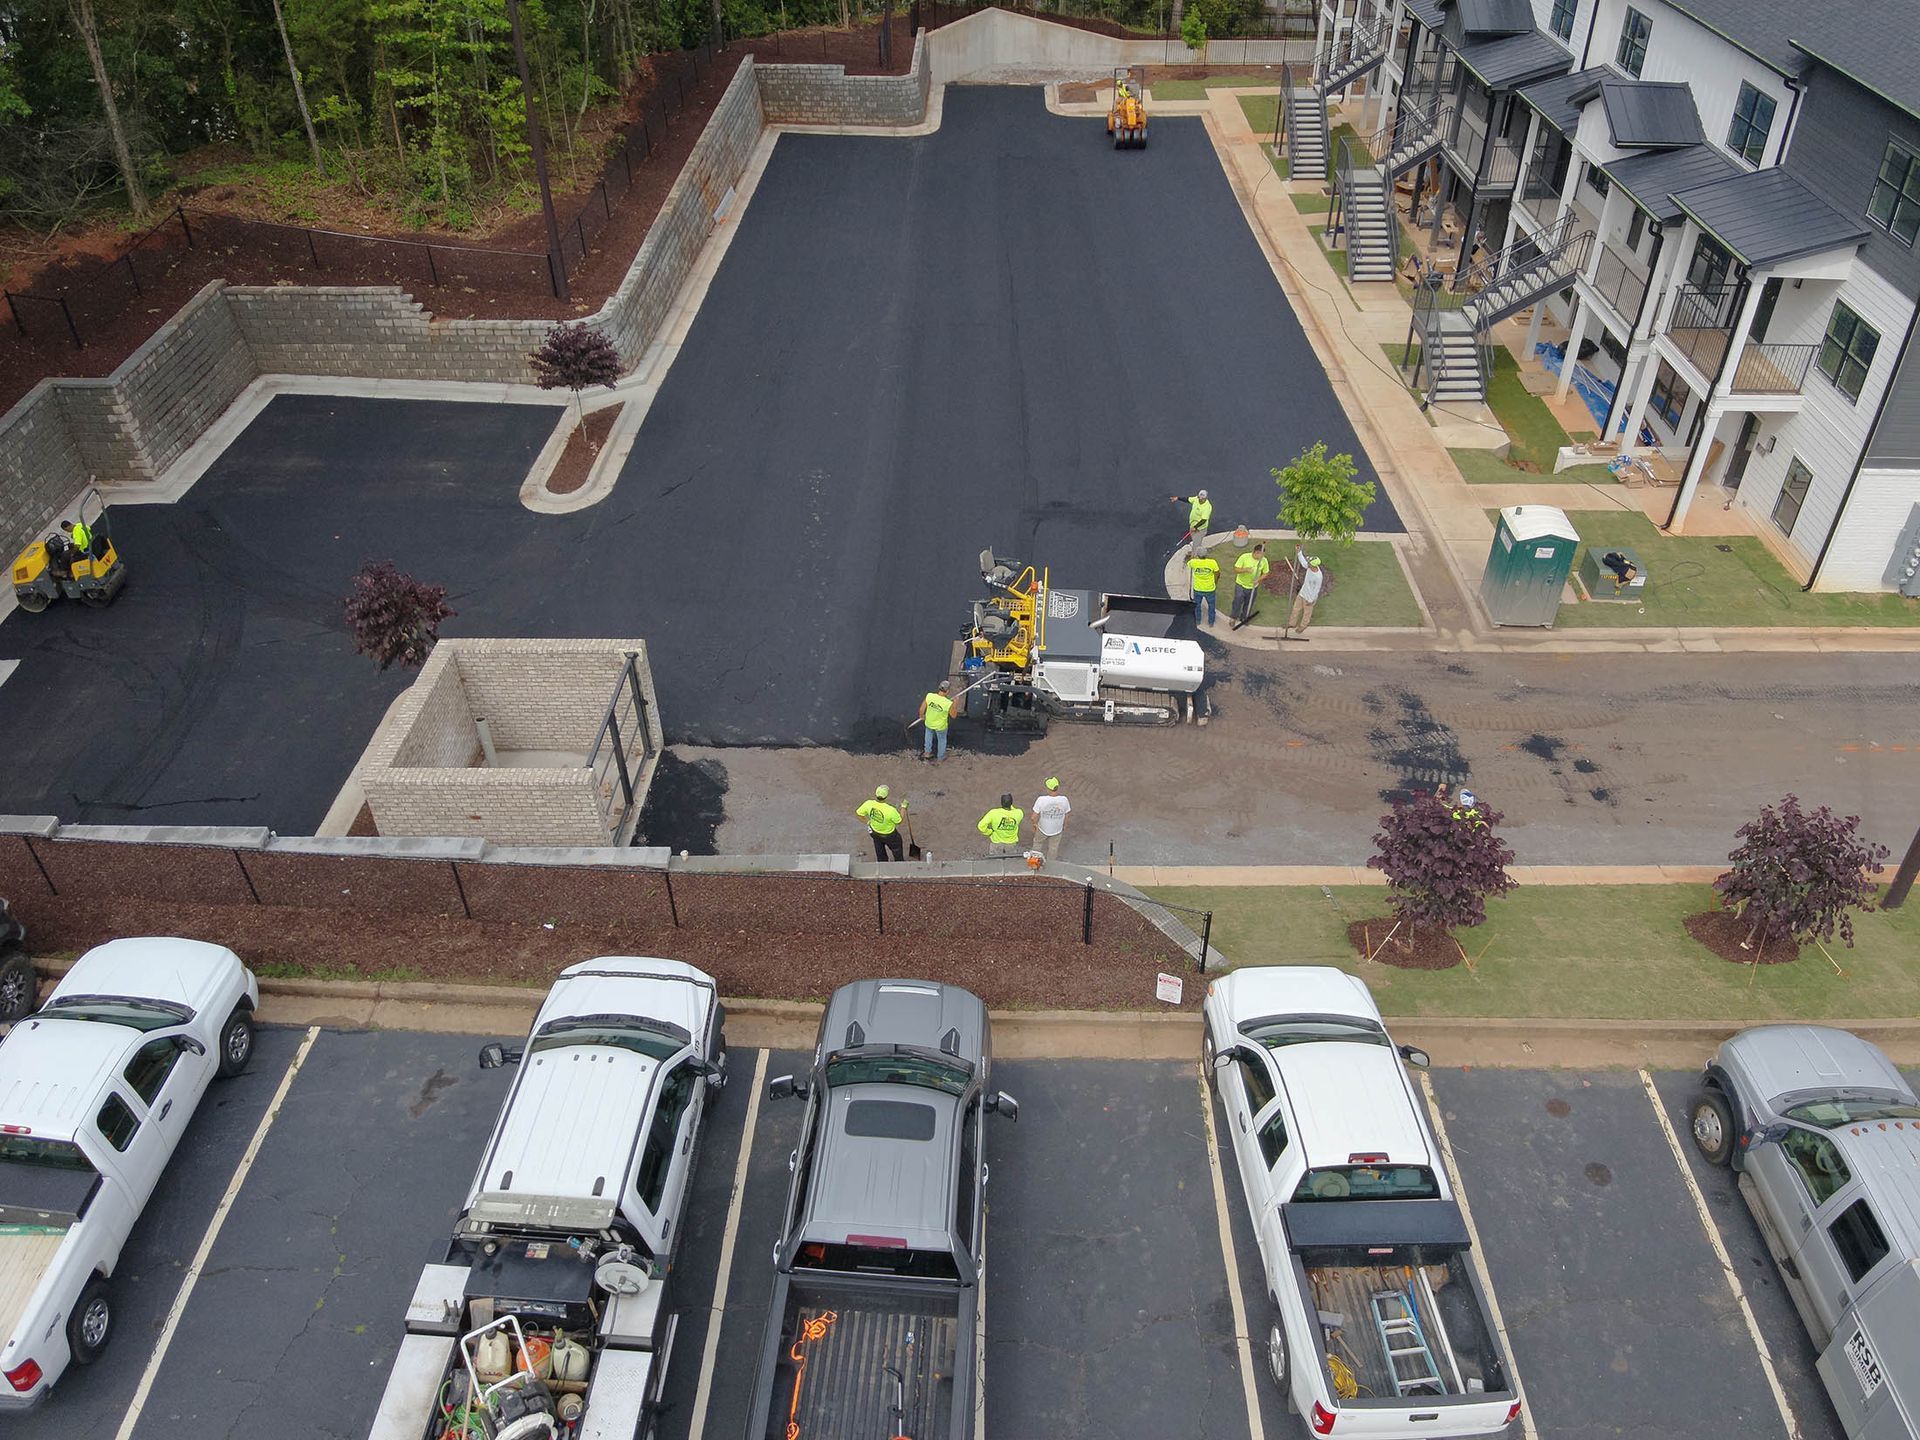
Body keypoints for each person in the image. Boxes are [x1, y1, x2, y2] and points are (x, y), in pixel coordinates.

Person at [856, 784, 906, 862]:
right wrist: (903, 807)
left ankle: (882, 865)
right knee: (897, 850)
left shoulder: (868, 804)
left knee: (879, 850)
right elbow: (899, 821)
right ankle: (899, 864)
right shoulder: (890, 810)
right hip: (890, 835)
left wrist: (867, 822)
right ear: (886, 796)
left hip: (875, 832)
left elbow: (859, 814)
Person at [1030, 776, 1071, 863]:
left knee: (1037, 844)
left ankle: (1034, 861)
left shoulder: (1041, 800)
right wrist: (1065, 825)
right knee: (1053, 848)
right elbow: (1067, 815)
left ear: (1048, 788)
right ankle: (1051, 865)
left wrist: (1035, 824)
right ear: (1057, 787)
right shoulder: (1064, 800)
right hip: (1057, 829)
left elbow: (1033, 817)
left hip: (1042, 829)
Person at [1230, 542, 1269, 624]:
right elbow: (1236, 569)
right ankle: (1233, 618)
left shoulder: (1264, 561)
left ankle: (1244, 617)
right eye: (1261, 555)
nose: (1262, 557)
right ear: (1256, 552)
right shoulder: (1244, 557)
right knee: (1237, 601)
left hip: (1253, 586)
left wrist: (1258, 579)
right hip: (1241, 584)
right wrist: (1245, 570)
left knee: (1249, 603)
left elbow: (1266, 573)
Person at [1288, 550, 1324, 634]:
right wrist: (1299, 552)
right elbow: (1303, 562)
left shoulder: (1318, 577)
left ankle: (1303, 626)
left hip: (1309, 598)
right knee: (1295, 609)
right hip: (1302, 593)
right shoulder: (1309, 567)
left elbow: (1316, 590)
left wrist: (1311, 600)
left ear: (1313, 565)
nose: (1307, 563)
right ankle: (1291, 623)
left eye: (1309, 563)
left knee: (1307, 613)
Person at [978, 793, 1024, 858]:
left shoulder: (993, 813)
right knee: (1011, 860)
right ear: (1011, 803)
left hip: (997, 842)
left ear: (1001, 803)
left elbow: (981, 826)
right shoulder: (1019, 813)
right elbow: (1014, 810)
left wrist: (989, 832)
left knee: (995, 860)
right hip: (1011, 843)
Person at [917, 680, 954, 762]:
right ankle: (940, 758)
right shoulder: (948, 703)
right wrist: (956, 703)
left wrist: (921, 716)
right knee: (942, 740)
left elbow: (922, 708)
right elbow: (954, 715)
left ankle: (927, 753)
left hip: (929, 723)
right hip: (940, 727)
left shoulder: (929, 696)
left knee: (928, 736)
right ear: (947, 691)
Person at [1170, 491, 1213, 556]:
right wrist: (1178, 498)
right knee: (1196, 541)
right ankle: (1200, 552)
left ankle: (1193, 557)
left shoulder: (1207, 507)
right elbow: (1188, 499)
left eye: (1202, 498)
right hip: (1193, 526)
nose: (1200, 499)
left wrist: (1195, 527)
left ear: (1206, 498)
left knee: (1196, 545)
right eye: (1199, 498)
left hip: (1200, 529)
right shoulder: (1196, 499)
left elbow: (1204, 520)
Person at [1186, 549, 1221, 626]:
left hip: (1198, 589)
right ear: (1206, 554)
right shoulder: (1212, 562)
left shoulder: (1193, 562)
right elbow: (1218, 573)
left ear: (1198, 555)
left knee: (1197, 606)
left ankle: (1198, 620)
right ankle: (1211, 622)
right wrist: (1215, 582)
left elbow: (1188, 563)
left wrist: (1191, 557)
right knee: (1211, 606)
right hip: (1210, 589)